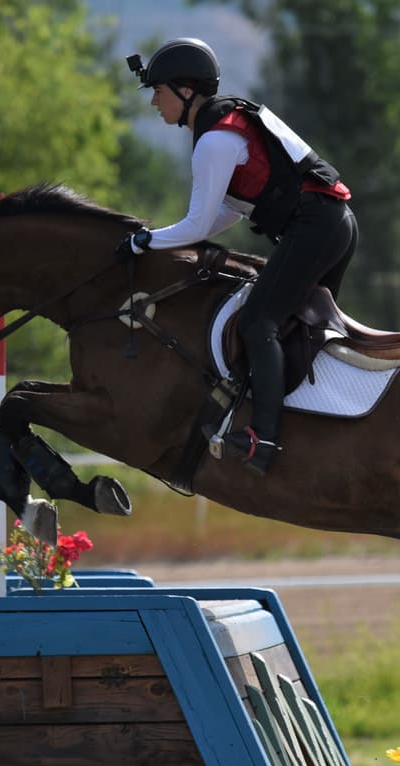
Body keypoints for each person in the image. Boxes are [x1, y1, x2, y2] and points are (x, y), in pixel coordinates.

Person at [119, 37, 358, 475]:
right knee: (294, 329)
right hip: (332, 223)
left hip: (316, 227)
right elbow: (226, 212)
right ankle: (314, 426)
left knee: (256, 322)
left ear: (186, 90)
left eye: (158, 90)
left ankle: (262, 441)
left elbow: (195, 226)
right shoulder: (226, 122)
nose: (154, 101)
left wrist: (144, 241)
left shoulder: (215, 139)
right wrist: (160, 238)